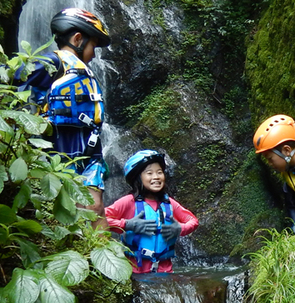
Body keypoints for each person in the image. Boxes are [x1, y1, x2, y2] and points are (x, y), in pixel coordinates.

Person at [20, 8, 112, 229]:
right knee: (73, 205)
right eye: (93, 46)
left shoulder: (82, 70)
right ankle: (75, 246)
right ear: (77, 39)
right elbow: (12, 73)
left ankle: (104, 250)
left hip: (89, 146)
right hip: (59, 143)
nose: (94, 54)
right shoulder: (54, 62)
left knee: (96, 207)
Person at [106, 150, 198, 274]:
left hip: (165, 271)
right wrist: (126, 224)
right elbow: (100, 218)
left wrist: (180, 228)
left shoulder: (169, 203)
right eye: (149, 173)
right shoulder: (128, 202)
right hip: (135, 270)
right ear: (138, 178)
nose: (156, 177)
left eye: (159, 172)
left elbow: (193, 221)